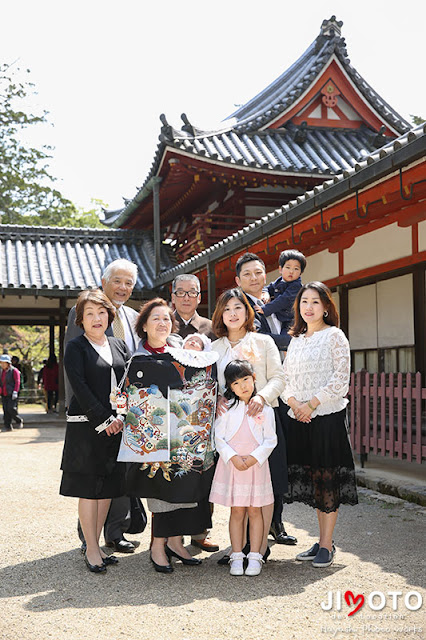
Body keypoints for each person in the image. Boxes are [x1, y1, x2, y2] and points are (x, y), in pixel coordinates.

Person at [123, 298, 217, 574]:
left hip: (183, 437)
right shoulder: (138, 358)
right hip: (155, 436)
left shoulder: (183, 353)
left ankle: (175, 543)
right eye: (156, 318)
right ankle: (156, 546)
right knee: (161, 491)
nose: (162, 323)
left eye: (166, 318)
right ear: (144, 325)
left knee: (183, 489)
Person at [65, 258, 140, 554]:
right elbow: (77, 376)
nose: (122, 287)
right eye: (117, 281)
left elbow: (129, 372)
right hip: (90, 417)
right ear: (104, 281)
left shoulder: (133, 316)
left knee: (114, 479)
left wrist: (125, 414)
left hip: (120, 418)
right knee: (91, 485)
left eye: (129, 283)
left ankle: (116, 530)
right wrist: (91, 413)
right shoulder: (81, 313)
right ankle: (90, 541)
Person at [282, 282, 358, 568]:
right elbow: (285, 378)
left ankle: (327, 544)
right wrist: (294, 403)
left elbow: (340, 379)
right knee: (314, 480)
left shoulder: (335, 336)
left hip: (325, 416)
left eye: (315, 302)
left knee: (327, 479)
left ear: (326, 306)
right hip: (299, 418)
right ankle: (321, 539)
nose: (309, 307)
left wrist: (311, 405)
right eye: (304, 302)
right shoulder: (296, 340)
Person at [211, 288, 285, 564]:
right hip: (230, 428)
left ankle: (259, 547)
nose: (233, 313)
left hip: (262, 420)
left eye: (238, 308)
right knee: (237, 492)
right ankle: (237, 549)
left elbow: (278, 377)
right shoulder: (215, 347)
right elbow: (209, 384)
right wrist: (216, 398)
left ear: (247, 311)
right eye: (227, 308)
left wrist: (262, 397)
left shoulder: (263, 341)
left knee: (263, 489)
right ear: (220, 314)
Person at [235, 252, 297, 546]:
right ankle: (248, 535)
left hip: (284, 391)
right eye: (247, 274)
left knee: (279, 459)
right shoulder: (238, 309)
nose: (255, 278)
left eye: (259, 272)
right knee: (252, 463)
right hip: (254, 397)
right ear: (238, 280)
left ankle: (276, 522)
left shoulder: (279, 299)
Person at [210, 360, 277, 576]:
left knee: (255, 510)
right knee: (237, 510)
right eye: (236, 383)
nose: (243, 386)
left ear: (254, 379)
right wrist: (233, 458)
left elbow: (270, 440)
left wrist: (253, 458)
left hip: (256, 467)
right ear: (230, 387)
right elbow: (218, 437)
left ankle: (255, 556)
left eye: (246, 379)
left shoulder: (266, 410)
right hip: (234, 466)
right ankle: (237, 556)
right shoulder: (226, 409)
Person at [171, 273, 218, 552]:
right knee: (173, 471)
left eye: (192, 292)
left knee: (204, 471)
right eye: (181, 292)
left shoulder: (211, 327)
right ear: (173, 295)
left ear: (200, 297)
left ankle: (201, 531)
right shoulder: (164, 323)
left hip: (204, 411)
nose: (187, 297)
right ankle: (169, 534)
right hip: (172, 411)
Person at [255, 249, 306, 340]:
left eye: (296, 269)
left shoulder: (296, 286)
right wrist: (265, 293)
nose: (291, 271)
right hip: (280, 318)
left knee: (286, 340)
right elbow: (267, 287)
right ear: (280, 269)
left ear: (300, 273)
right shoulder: (279, 281)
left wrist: (265, 309)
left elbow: (283, 300)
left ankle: (265, 338)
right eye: (288, 267)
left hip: (292, 319)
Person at [171, 274, 216, 341]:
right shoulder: (164, 326)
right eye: (180, 293)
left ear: (199, 298)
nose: (186, 298)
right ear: (173, 298)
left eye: (192, 293)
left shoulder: (211, 328)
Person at [0, 354, 23, 432]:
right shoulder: (1, 372)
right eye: (1, 362)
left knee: (11, 408)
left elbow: (17, 382)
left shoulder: (14, 370)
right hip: (4, 393)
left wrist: (15, 391)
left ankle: (18, 420)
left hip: (11, 393)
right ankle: (8, 426)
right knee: (5, 410)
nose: (2, 364)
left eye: (4, 363)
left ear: (8, 363)